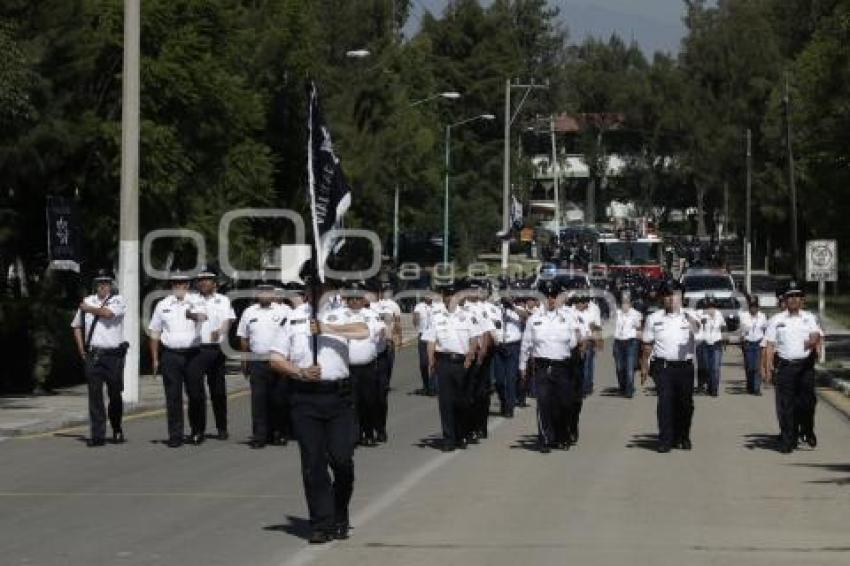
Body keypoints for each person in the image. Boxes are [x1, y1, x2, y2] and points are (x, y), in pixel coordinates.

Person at [268, 287, 369, 544]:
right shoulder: (291, 318)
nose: (319, 293)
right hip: (305, 398)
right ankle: (322, 523)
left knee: (342, 460)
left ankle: (339, 511)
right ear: (306, 291)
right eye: (314, 288)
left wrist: (327, 329)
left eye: (324, 288)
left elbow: (363, 331)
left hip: (339, 397)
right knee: (313, 465)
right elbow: (275, 359)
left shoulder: (343, 314)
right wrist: (299, 372)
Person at [640, 280, 701, 453]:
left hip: (685, 367)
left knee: (685, 404)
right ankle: (665, 439)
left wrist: (692, 323)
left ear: (681, 297)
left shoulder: (690, 315)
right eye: (667, 295)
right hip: (663, 367)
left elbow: (699, 332)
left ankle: (683, 436)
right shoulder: (654, 318)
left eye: (674, 294)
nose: (670, 298)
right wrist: (644, 367)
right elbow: (647, 345)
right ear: (661, 298)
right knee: (665, 403)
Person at [762, 281, 823, 453]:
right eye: (790, 297)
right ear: (785, 300)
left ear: (802, 299)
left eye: (797, 296)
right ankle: (789, 440)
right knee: (787, 405)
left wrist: (813, 342)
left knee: (808, 402)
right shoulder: (776, 320)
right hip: (786, 367)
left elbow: (815, 335)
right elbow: (770, 346)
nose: (794, 300)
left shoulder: (809, 317)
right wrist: (768, 368)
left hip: (805, 367)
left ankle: (807, 429)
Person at [148, 270, 207, 447]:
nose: (178, 287)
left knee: (196, 394)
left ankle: (197, 430)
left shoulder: (197, 300)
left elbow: (203, 316)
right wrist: (155, 358)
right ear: (171, 286)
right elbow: (155, 332)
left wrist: (192, 315)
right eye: (175, 284)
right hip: (170, 355)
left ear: (187, 286)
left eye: (181, 284)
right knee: (172, 396)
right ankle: (175, 434)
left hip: (193, 354)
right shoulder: (163, 305)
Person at [520, 281, 581, 452]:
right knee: (544, 403)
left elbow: (573, 341)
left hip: (562, 366)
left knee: (564, 404)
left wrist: (561, 350)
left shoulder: (567, 317)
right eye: (547, 297)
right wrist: (522, 366)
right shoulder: (534, 319)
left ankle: (562, 436)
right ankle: (546, 438)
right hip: (542, 366)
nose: (551, 300)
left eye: (553, 296)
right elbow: (526, 344)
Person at [71, 269, 128, 447]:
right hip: (94, 355)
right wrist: (81, 348)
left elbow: (108, 314)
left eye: (106, 282)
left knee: (115, 394)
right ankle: (97, 435)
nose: (103, 285)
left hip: (113, 356)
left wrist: (88, 309)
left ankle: (116, 427)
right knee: (95, 396)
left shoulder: (118, 300)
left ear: (111, 284)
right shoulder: (88, 300)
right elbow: (76, 326)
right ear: (96, 284)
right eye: (100, 282)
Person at [424, 283, 481, 452]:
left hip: (462, 363)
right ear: (443, 298)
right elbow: (430, 341)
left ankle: (461, 434)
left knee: (462, 402)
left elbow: (474, 340)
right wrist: (430, 361)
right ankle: (449, 439)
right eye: (446, 295)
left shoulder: (467, 316)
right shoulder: (436, 317)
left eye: (452, 295)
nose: (449, 298)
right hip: (444, 362)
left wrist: (470, 357)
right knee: (446, 402)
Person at [237, 283, 289, 449]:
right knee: (258, 400)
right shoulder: (249, 312)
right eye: (261, 292)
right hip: (257, 361)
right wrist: (244, 361)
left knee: (278, 399)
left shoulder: (284, 311)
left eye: (267, 292)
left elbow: (292, 336)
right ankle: (260, 435)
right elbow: (244, 339)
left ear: (273, 294)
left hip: (279, 361)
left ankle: (278, 433)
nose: (264, 295)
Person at [190, 266, 236, 440]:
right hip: (196, 350)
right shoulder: (192, 300)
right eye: (201, 280)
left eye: (207, 279)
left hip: (216, 349)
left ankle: (221, 427)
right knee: (196, 392)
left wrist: (221, 331)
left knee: (217, 391)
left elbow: (228, 320)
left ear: (214, 282)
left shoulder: (223, 300)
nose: (203, 282)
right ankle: (198, 430)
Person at [345, 281, 386, 447]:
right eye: (351, 298)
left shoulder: (371, 315)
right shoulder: (340, 316)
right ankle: (355, 434)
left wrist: (383, 333)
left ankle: (369, 432)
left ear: (363, 299)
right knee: (352, 403)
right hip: (348, 368)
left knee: (369, 401)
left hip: (368, 367)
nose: (355, 301)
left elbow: (381, 328)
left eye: (358, 298)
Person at [369, 283, 402, 442]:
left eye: (372, 292)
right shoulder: (354, 312)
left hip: (382, 353)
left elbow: (392, 325)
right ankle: (365, 430)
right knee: (364, 396)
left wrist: (394, 339)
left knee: (381, 395)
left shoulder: (386, 308)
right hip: (364, 359)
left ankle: (380, 428)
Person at [491, 285, 527, 417]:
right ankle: (503, 401)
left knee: (511, 378)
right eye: (504, 296)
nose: (506, 298)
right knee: (499, 380)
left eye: (509, 296)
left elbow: (526, 317)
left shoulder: (518, 309)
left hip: (513, 346)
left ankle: (509, 406)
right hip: (499, 347)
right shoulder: (495, 309)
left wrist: (511, 307)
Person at [612, 293, 643, 398]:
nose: (625, 305)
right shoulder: (616, 313)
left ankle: (629, 390)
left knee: (630, 367)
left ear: (630, 304)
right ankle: (623, 387)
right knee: (620, 368)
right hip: (618, 343)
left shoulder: (636, 314)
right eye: (623, 303)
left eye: (627, 303)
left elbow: (639, 328)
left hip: (631, 342)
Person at [697, 296, 726, 397]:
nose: (711, 308)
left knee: (715, 368)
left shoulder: (719, 314)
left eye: (713, 306)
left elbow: (723, 326)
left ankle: (714, 389)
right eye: (709, 306)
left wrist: (724, 336)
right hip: (705, 344)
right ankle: (709, 385)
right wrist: (701, 322)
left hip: (716, 344)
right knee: (707, 368)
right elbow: (696, 325)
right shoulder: (701, 314)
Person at [739, 296, 767, 395]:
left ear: (758, 307)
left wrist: (765, 342)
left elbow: (765, 329)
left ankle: (756, 388)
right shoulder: (744, 316)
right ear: (749, 307)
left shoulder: (762, 316)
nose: (753, 309)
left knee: (757, 367)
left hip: (758, 343)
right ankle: (750, 385)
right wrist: (742, 336)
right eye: (751, 307)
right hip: (748, 343)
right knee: (750, 366)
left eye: (755, 306)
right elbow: (742, 329)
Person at [413, 294, 435, 395]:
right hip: (423, 335)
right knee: (423, 363)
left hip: (435, 335)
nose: (428, 297)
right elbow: (415, 318)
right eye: (427, 295)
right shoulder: (419, 306)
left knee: (434, 361)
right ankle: (426, 385)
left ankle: (433, 386)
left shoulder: (438, 306)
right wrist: (416, 320)